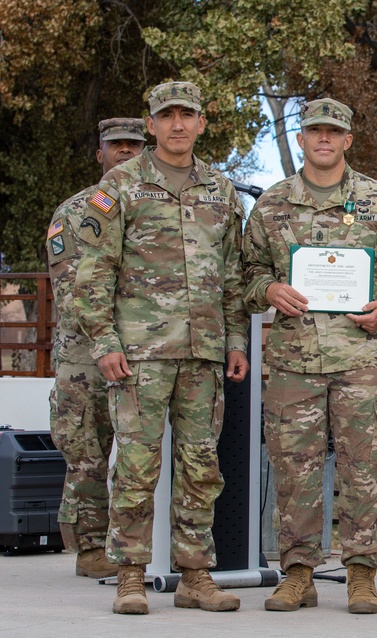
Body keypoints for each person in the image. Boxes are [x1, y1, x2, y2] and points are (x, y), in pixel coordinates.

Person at [73, 81, 249, 615]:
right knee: (136, 465)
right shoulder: (119, 186)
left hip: (203, 353)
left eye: (186, 115)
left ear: (201, 123)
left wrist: (237, 339)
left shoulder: (221, 190)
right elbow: (92, 274)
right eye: (166, 116)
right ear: (150, 125)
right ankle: (130, 574)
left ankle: (195, 575)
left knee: (201, 465)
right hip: (138, 353)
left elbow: (234, 275)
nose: (177, 125)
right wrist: (103, 341)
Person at [242, 98, 377, 614]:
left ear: (347, 140)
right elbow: (247, 272)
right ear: (301, 139)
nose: (324, 138)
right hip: (294, 361)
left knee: (362, 469)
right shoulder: (273, 204)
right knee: (294, 469)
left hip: (360, 359)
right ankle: (297, 574)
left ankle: (361, 574)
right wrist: (269, 289)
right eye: (314, 130)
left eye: (334, 131)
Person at [46, 117, 145, 579]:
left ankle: (136, 544)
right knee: (86, 448)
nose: (125, 153)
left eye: (134, 145)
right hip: (84, 355)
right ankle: (89, 546)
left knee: (137, 451)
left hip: (144, 348)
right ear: (100, 153)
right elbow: (73, 289)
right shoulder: (77, 211)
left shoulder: (152, 205)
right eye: (116, 145)